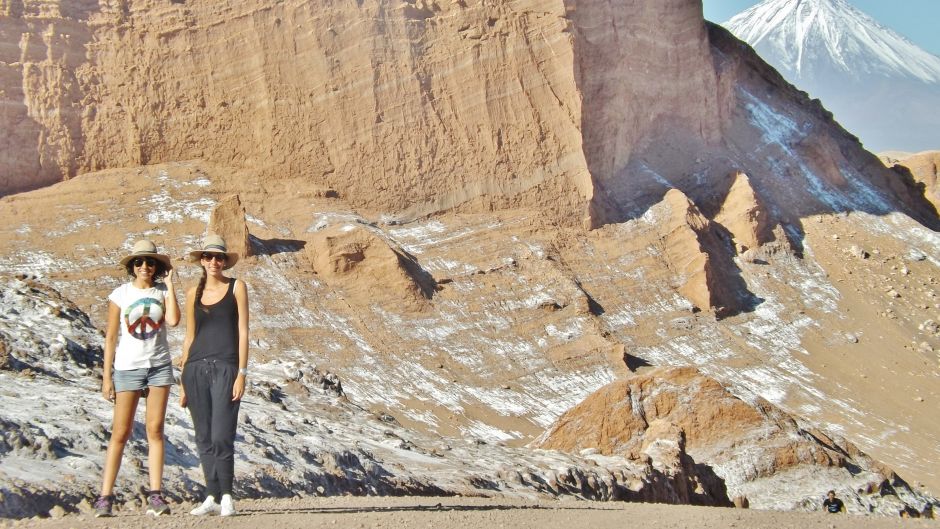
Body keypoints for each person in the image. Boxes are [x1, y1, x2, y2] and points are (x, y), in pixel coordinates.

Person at [94, 240, 180, 517]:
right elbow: (110, 337)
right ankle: (105, 497)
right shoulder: (120, 294)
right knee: (121, 432)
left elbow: (175, 321)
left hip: (158, 367)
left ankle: (156, 495)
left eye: (150, 262)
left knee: (155, 431)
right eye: (139, 262)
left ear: (157, 267)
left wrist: (172, 287)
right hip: (127, 367)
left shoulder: (162, 291)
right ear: (132, 267)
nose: (145, 266)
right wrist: (106, 377)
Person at [179, 234, 249, 517]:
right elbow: (189, 337)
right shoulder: (191, 293)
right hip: (195, 369)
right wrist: (183, 379)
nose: (214, 262)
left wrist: (242, 373)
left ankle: (228, 495)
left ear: (225, 261)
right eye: (208, 257)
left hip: (226, 367)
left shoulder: (237, 288)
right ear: (201, 261)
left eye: (219, 257)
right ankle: (211, 495)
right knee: (203, 436)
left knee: (222, 434)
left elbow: (243, 331)